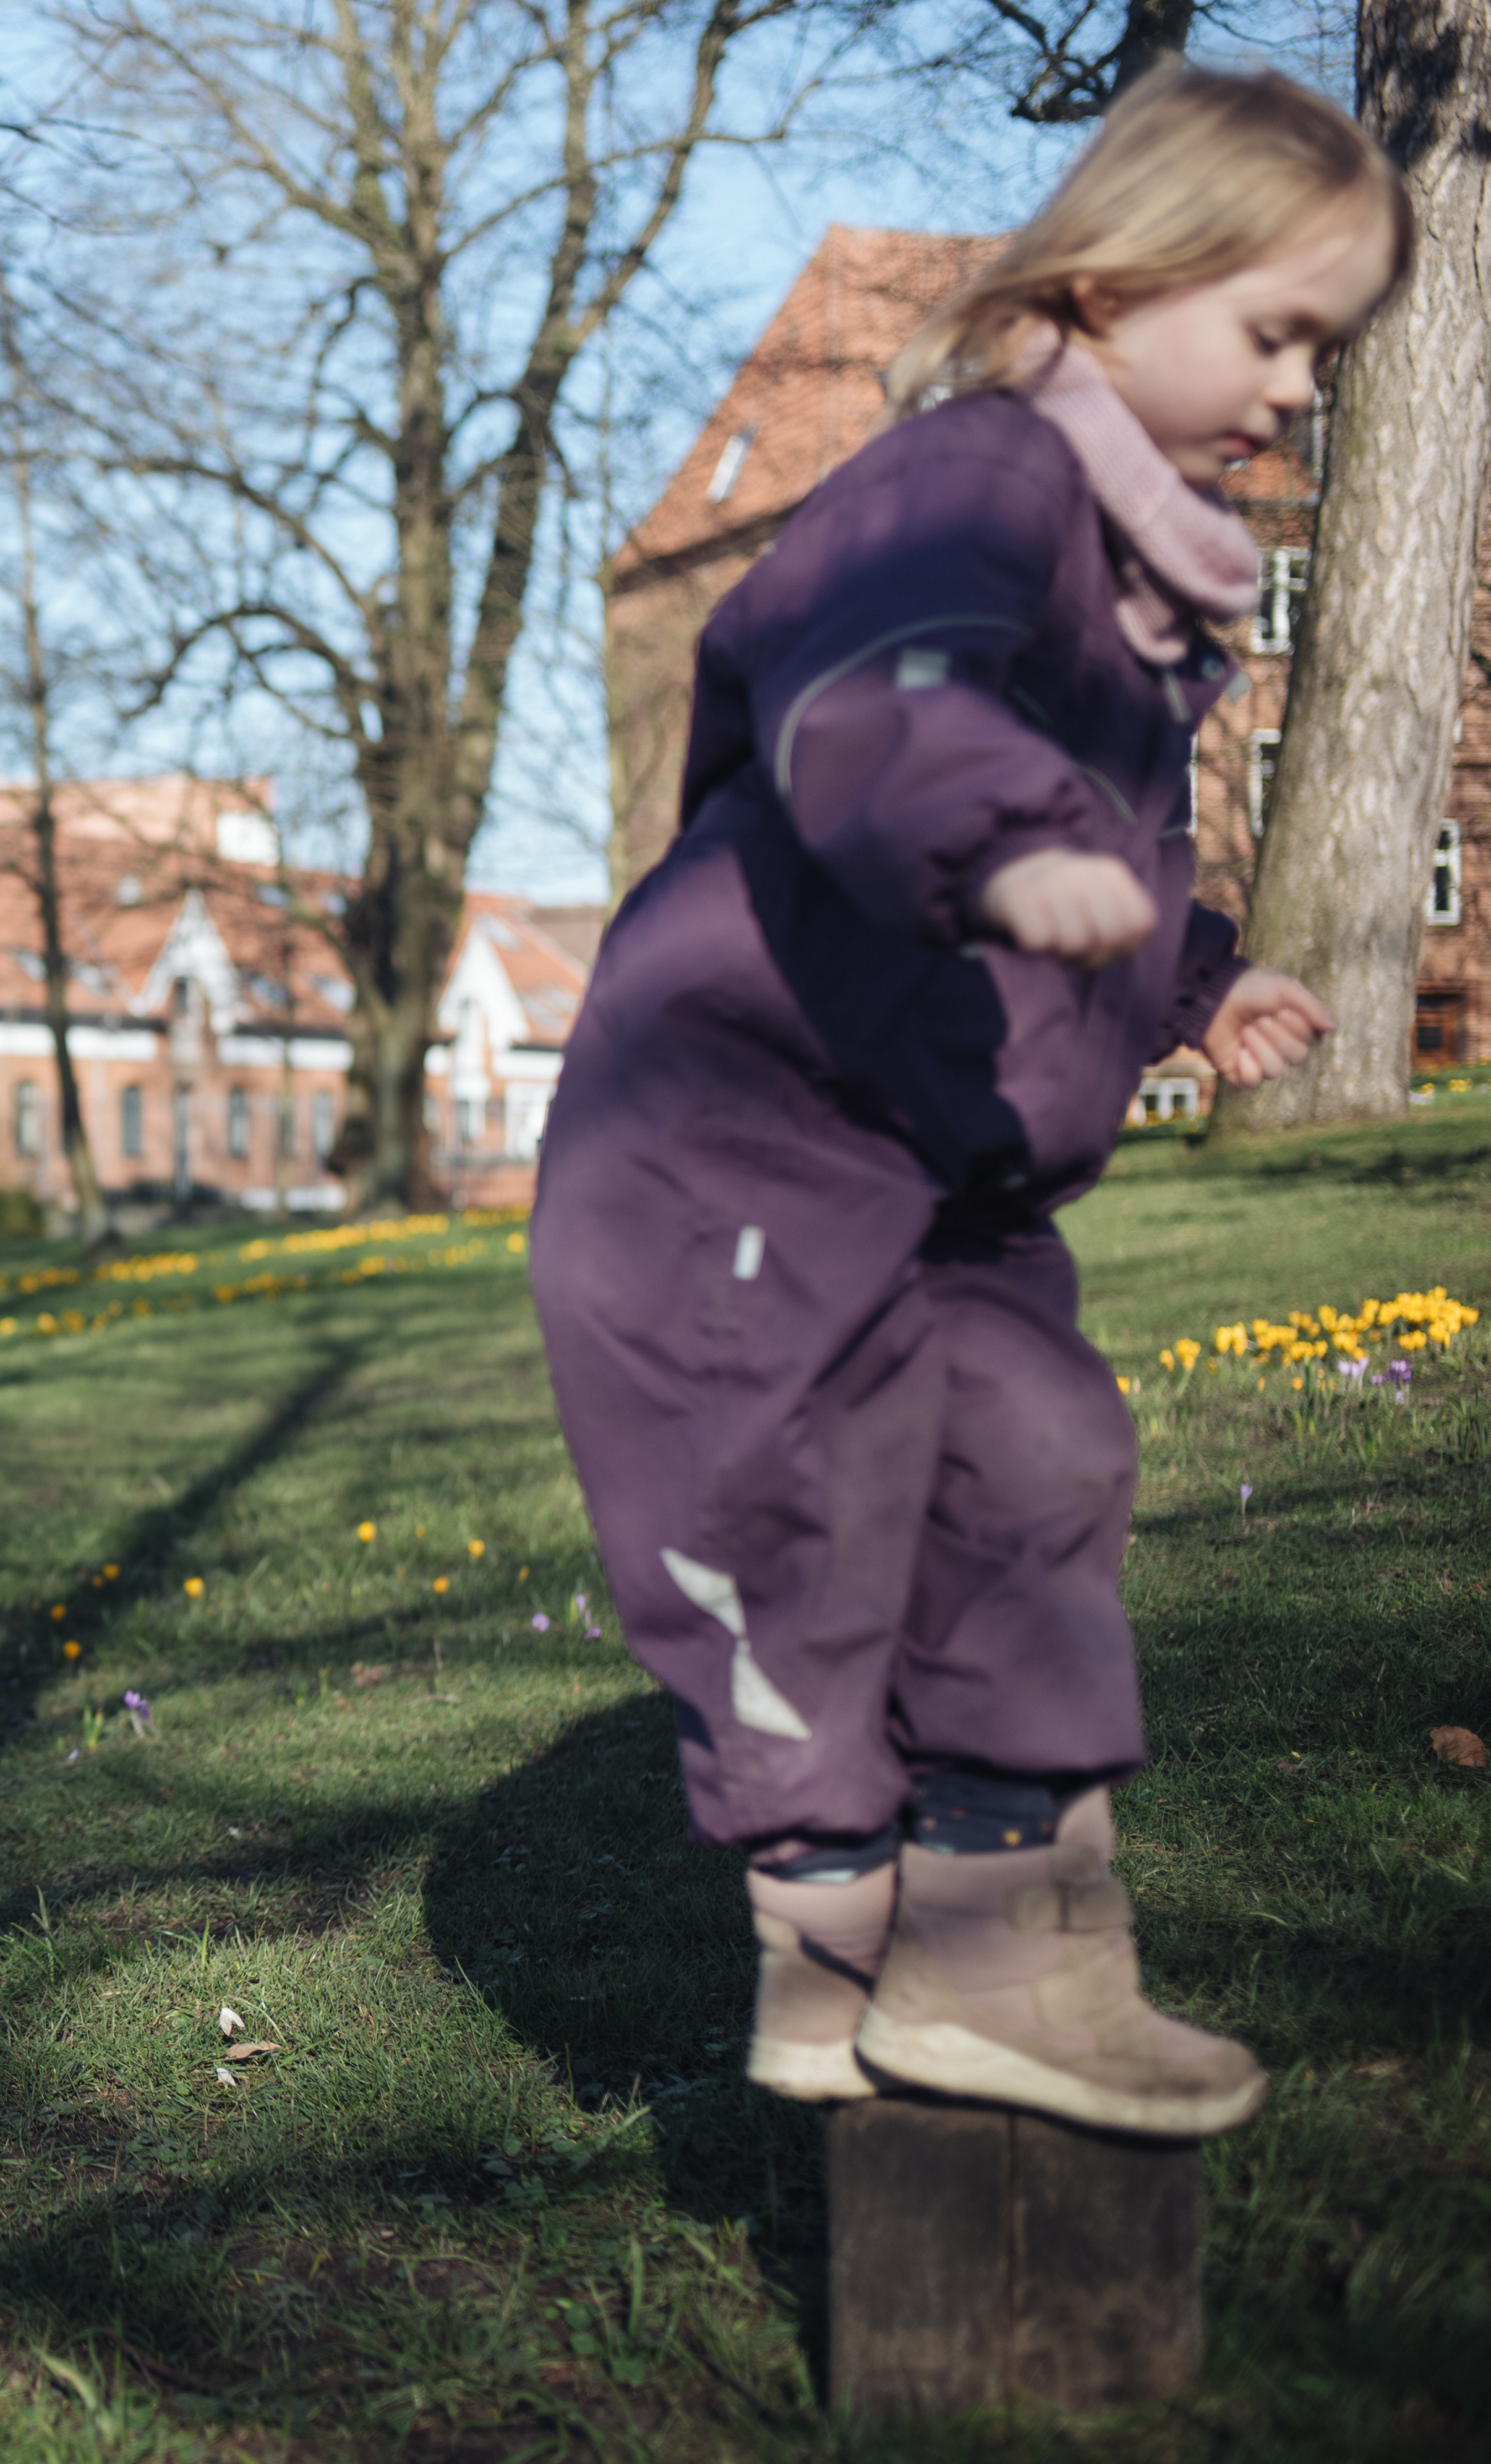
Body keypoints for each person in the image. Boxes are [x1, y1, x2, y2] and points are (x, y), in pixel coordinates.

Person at [531, 69, 1401, 2139]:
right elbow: (873, 701)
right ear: (1115, 278)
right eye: (1272, 332)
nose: (1290, 395)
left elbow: (1082, 827)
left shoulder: (1125, 562)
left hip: (926, 1157)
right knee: (798, 1540)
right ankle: (831, 1960)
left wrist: (1191, 976)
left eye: (1321, 354)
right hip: (736, 1144)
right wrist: (1002, 843)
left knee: (1033, 1466)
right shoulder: (973, 480)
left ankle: (1004, 1958)